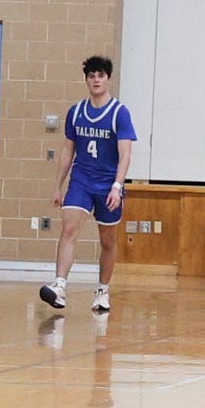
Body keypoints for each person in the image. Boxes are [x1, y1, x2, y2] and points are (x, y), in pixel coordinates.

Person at [41, 56, 135, 315]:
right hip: (81, 179)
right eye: (91, 76)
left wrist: (117, 185)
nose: (96, 80)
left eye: (100, 75)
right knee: (69, 228)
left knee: (107, 241)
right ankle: (59, 286)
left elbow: (125, 153)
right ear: (86, 80)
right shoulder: (76, 112)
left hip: (107, 184)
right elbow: (67, 151)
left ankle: (103, 290)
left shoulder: (119, 113)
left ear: (108, 79)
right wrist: (57, 186)